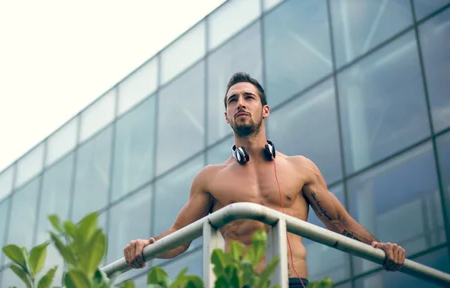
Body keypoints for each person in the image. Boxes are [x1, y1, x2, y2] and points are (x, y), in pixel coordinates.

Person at [123, 72, 406, 287]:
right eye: (233, 100)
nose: (240, 104)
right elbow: (179, 238)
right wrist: (145, 249)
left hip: (293, 283)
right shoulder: (210, 179)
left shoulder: (300, 168)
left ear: (265, 110)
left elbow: (338, 221)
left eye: (249, 97)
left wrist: (377, 248)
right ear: (226, 116)